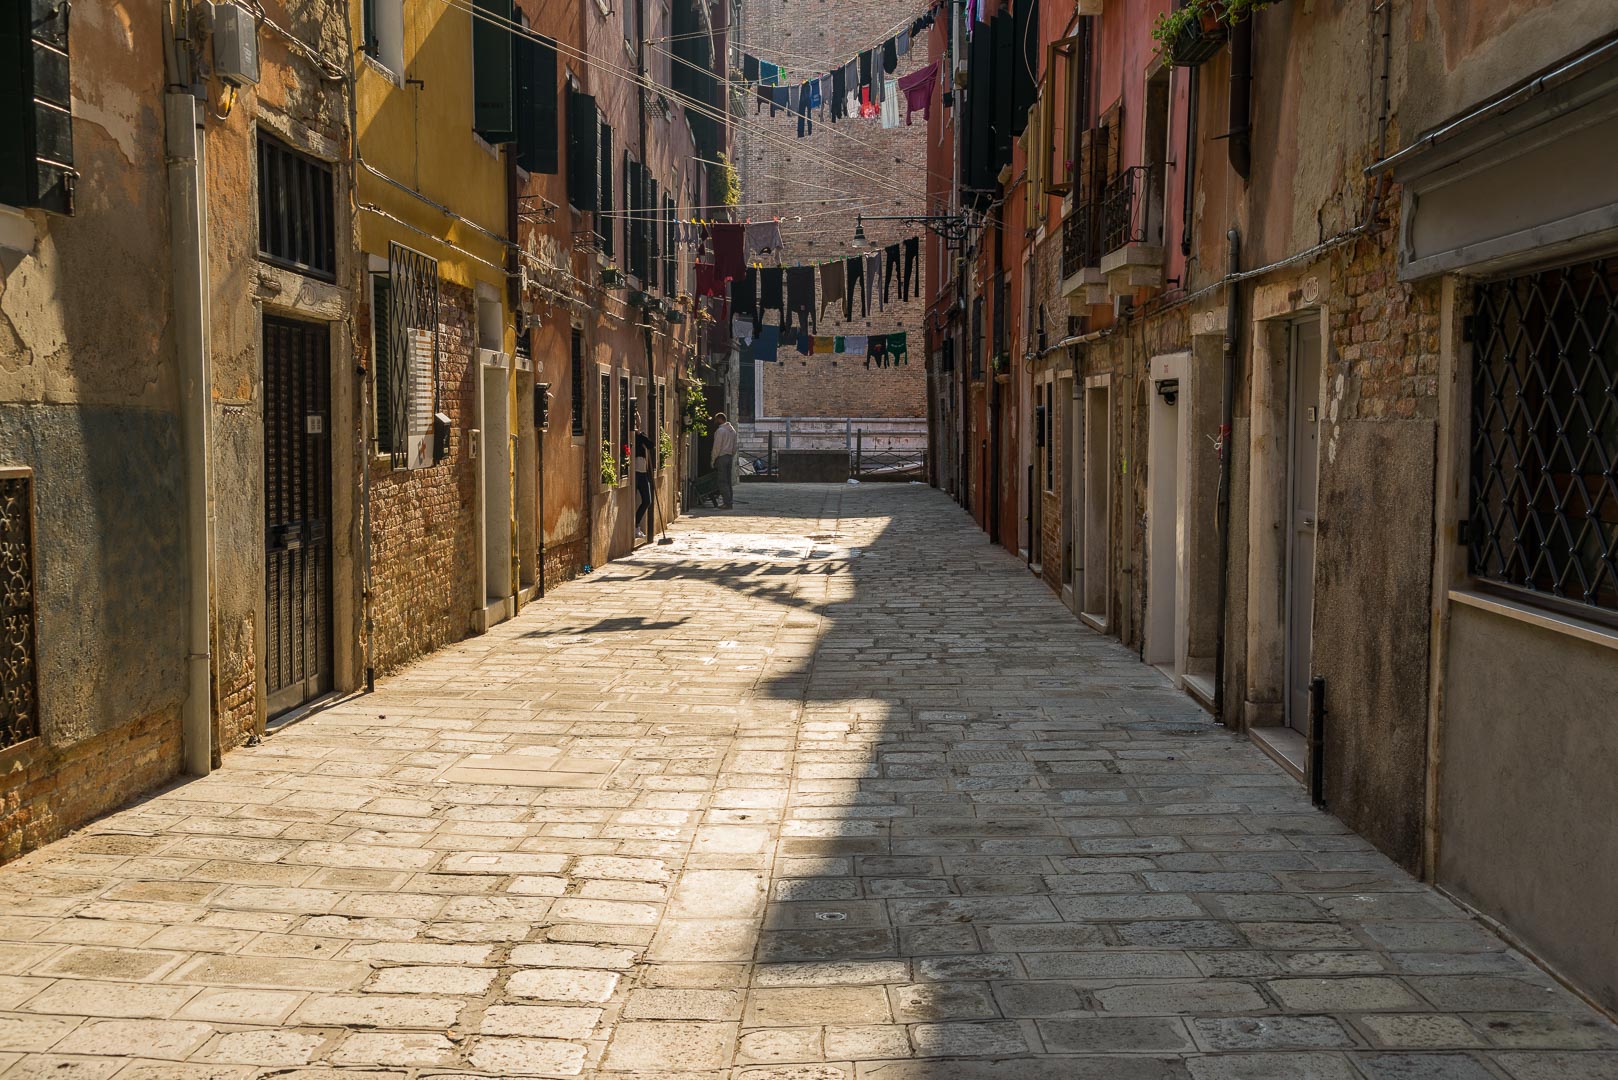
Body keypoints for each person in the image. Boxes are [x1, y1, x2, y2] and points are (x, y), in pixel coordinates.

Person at [710, 412, 737, 510]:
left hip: (722, 457)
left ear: (720, 419)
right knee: (728, 481)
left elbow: (717, 447)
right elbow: (735, 447)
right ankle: (730, 502)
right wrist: (731, 455)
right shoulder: (732, 431)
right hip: (729, 456)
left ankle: (727, 503)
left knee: (722, 481)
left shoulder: (720, 431)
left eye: (716, 419)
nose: (715, 421)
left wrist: (713, 459)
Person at [634, 422, 654, 539]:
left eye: (638, 421)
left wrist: (641, 434)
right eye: (635, 420)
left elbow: (651, 445)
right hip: (635, 472)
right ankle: (636, 527)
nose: (637, 423)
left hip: (643, 472)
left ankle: (636, 525)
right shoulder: (632, 436)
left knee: (647, 500)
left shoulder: (641, 436)